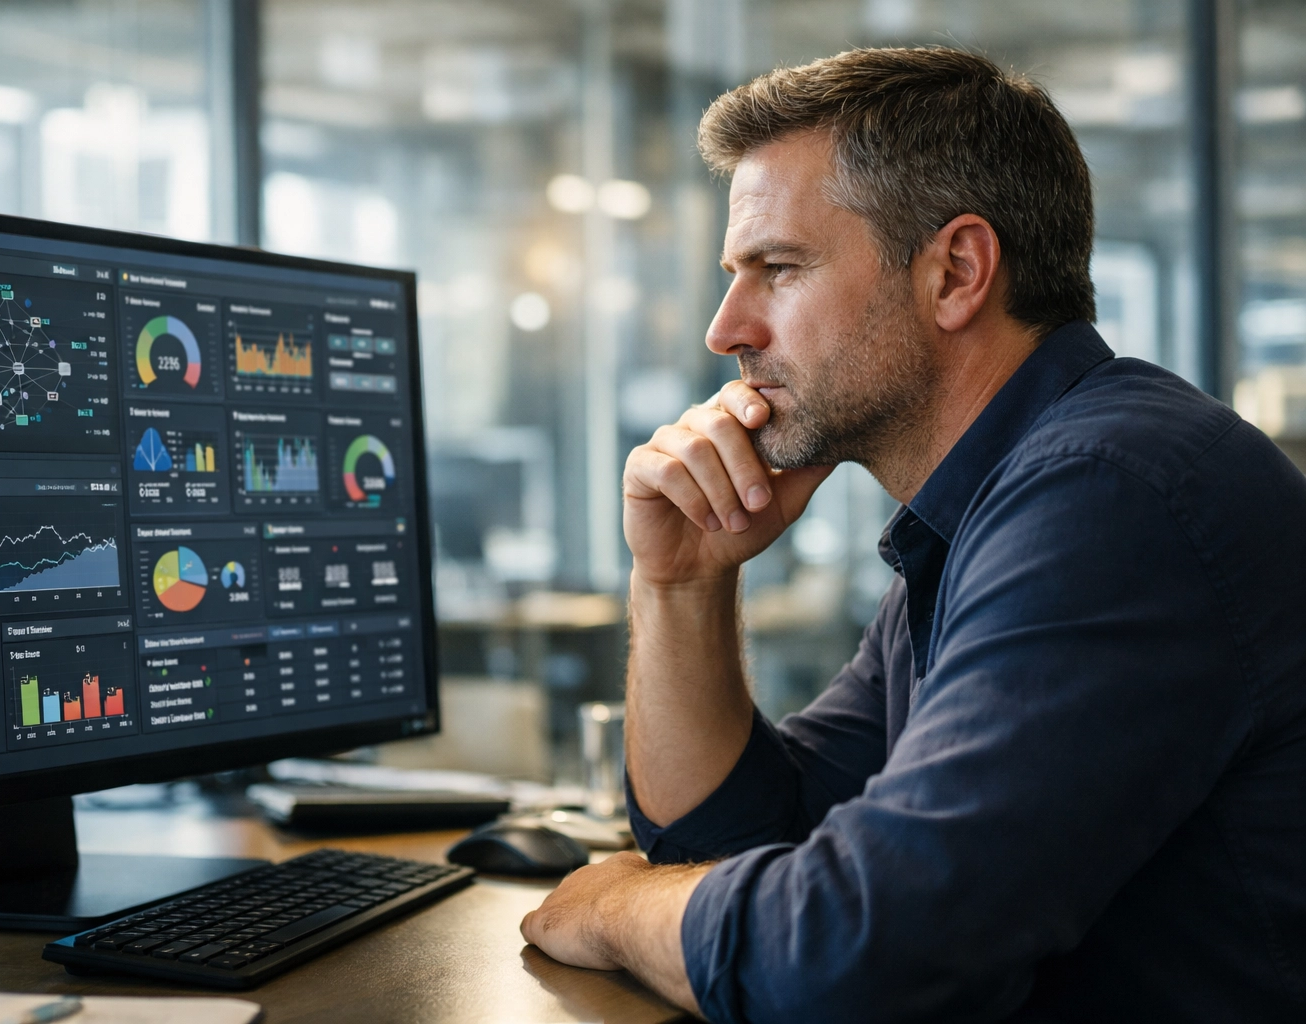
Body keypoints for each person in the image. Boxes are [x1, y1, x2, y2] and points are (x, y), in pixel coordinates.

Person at [520, 46, 1306, 1021]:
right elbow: (738, 843)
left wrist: (611, 905)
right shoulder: (986, 509)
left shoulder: (1110, 494)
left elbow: (852, 959)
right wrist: (680, 583)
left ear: (956, 272)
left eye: (778, 269)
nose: (726, 329)